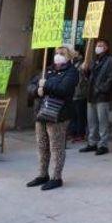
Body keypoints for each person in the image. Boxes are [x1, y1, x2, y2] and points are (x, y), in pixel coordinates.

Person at [26, 46, 78, 190]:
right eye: (56, 53)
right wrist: (37, 90)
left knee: (56, 147)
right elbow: (31, 86)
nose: (58, 56)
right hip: (41, 112)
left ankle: (56, 177)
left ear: (69, 57)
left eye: (62, 54)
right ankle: (42, 174)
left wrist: (46, 85)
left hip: (59, 115)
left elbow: (64, 89)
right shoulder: (46, 70)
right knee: (42, 145)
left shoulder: (72, 72)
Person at [79, 39, 112, 155]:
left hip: (102, 96)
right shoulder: (95, 61)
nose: (98, 47)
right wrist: (85, 70)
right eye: (97, 45)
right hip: (91, 95)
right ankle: (92, 143)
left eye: (101, 45)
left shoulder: (110, 59)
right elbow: (89, 76)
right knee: (92, 121)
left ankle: (103, 145)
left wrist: (102, 89)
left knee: (102, 121)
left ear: (106, 47)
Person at [69, 47, 88, 142]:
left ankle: (81, 134)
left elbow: (86, 74)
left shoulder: (83, 65)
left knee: (80, 116)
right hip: (72, 94)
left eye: (75, 52)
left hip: (80, 93)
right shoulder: (71, 64)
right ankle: (73, 133)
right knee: (73, 116)